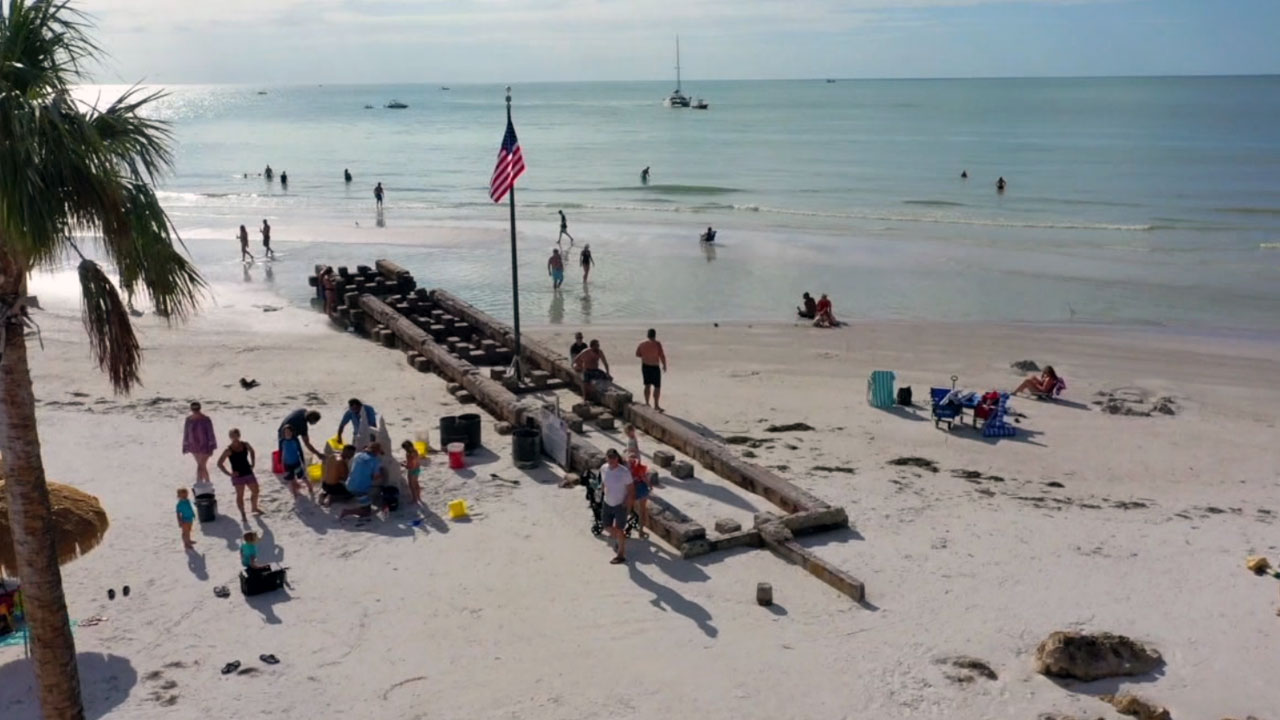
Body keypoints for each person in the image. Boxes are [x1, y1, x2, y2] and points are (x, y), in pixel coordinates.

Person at [216, 428, 261, 523]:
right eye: (232, 435)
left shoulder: (245, 445)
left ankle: (254, 507)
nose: (234, 437)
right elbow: (219, 463)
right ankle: (243, 514)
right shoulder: (228, 450)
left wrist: (253, 463)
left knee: (256, 491)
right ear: (230, 437)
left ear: (239, 435)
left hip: (248, 472)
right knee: (240, 495)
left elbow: (252, 451)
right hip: (238, 475)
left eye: (235, 435)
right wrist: (229, 474)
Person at [598, 449, 635, 564]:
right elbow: (604, 482)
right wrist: (601, 490)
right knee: (606, 526)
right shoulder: (603, 468)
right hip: (607, 502)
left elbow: (631, 490)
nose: (611, 459)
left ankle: (621, 554)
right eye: (609, 457)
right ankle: (620, 540)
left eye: (613, 457)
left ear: (617, 458)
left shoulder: (624, 472)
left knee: (619, 529)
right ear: (606, 458)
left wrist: (627, 503)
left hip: (620, 504)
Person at [340, 442, 385, 520]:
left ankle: (364, 504)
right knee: (367, 512)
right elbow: (375, 477)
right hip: (359, 489)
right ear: (377, 452)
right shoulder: (375, 461)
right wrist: (382, 473)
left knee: (366, 498)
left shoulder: (358, 455)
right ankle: (347, 512)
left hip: (349, 484)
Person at [182, 401, 217, 484]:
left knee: (201, 465)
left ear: (199, 408)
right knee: (201, 466)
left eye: (196, 409)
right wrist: (185, 445)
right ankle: (204, 484)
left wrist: (212, 445)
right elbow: (186, 433)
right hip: (193, 445)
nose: (195, 410)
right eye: (193, 409)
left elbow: (211, 433)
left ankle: (201, 483)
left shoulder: (206, 419)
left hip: (205, 446)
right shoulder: (188, 420)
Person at [635, 329, 668, 411]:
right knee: (657, 387)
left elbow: (637, 354)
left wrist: (646, 356)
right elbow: (662, 355)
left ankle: (647, 403)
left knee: (647, 385)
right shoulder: (657, 344)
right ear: (655, 335)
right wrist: (664, 365)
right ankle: (656, 405)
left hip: (645, 366)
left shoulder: (642, 343)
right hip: (654, 367)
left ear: (647, 335)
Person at [279, 425, 312, 499]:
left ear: (292, 432)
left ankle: (310, 488)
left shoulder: (295, 440)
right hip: (287, 464)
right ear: (283, 433)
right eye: (285, 432)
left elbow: (300, 451)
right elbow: (282, 453)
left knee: (302, 477)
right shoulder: (282, 441)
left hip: (296, 463)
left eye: (289, 432)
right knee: (291, 479)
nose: (287, 433)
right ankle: (295, 494)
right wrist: (282, 463)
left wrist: (303, 461)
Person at [627, 450, 651, 540]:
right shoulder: (640, 467)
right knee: (642, 510)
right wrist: (649, 486)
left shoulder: (626, 468)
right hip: (641, 488)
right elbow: (644, 478)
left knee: (629, 509)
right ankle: (640, 530)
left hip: (632, 489)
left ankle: (629, 524)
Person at [401, 440, 423, 506]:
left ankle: (414, 499)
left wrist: (403, 465)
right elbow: (415, 461)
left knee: (411, 485)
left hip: (412, 471)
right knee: (416, 482)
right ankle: (418, 497)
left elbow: (409, 466)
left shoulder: (408, 454)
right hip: (417, 469)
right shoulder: (415, 451)